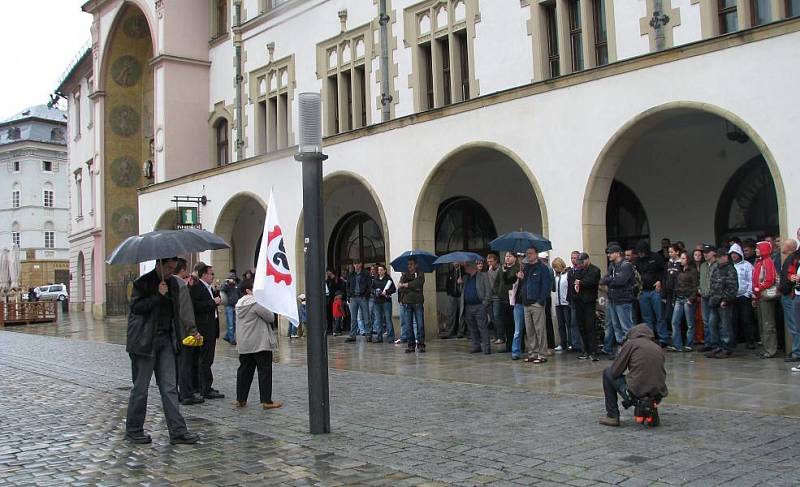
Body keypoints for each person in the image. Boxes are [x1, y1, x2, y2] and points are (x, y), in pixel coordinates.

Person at [125, 257, 199, 445]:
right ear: (159, 264)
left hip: (166, 340)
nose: (170, 272)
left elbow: (180, 310)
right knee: (141, 388)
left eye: (173, 268)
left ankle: (177, 431)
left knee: (170, 387)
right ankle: (134, 430)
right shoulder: (142, 283)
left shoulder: (174, 283)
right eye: (168, 268)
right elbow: (136, 308)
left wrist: (190, 330)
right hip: (144, 341)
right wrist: (157, 295)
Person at [599, 324, 668, 427]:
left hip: (637, 391)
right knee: (647, 380)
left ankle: (612, 416)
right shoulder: (657, 347)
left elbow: (615, 371)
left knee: (607, 372)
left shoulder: (631, 344)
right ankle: (651, 409)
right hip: (658, 393)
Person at [234, 280, 283, 410]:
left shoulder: (239, 304)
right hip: (259, 342)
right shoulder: (255, 303)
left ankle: (241, 398)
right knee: (264, 371)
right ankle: (266, 400)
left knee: (244, 371)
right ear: (248, 291)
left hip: (245, 344)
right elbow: (270, 317)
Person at [189, 262, 224, 400]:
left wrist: (216, 293)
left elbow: (214, 300)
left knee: (207, 359)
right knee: (205, 360)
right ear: (204, 274)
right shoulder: (197, 287)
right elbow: (197, 306)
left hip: (211, 327)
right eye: (211, 273)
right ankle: (205, 388)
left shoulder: (208, 287)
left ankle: (204, 385)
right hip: (204, 327)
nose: (213, 276)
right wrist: (212, 302)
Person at [515, 246, 552, 364]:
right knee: (530, 330)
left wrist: (541, 301)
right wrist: (521, 278)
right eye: (527, 254)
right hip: (526, 302)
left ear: (536, 254)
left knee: (540, 329)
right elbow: (524, 285)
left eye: (531, 253)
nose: (528, 256)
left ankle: (542, 354)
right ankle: (533, 352)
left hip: (536, 302)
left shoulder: (542, 268)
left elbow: (546, 285)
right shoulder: (526, 268)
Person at [601, 244, 636, 357]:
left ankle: (630, 350)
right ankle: (621, 349)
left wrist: (610, 280)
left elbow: (620, 281)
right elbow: (603, 280)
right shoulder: (612, 266)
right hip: (613, 299)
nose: (608, 255)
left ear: (617, 253)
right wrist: (612, 279)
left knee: (626, 326)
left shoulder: (626, 265)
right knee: (616, 327)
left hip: (623, 299)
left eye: (610, 253)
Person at [704, 248, 739, 359]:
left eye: (720, 257)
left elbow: (732, 287)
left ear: (725, 257)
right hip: (714, 301)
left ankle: (726, 348)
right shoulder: (716, 269)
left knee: (725, 326)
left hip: (724, 302)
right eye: (718, 257)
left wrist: (726, 300)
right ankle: (716, 347)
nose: (719, 259)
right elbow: (713, 285)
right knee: (712, 324)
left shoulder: (730, 269)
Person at [635, 241, 669, 346]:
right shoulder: (637, 261)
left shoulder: (656, 257)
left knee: (659, 316)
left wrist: (660, 281)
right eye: (639, 252)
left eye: (642, 252)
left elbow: (665, 271)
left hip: (655, 290)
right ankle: (650, 338)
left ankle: (663, 338)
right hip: (643, 291)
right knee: (647, 317)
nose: (640, 254)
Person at [570, 252, 601, 361]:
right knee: (581, 326)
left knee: (590, 326)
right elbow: (574, 279)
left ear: (587, 259)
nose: (581, 264)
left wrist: (580, 282)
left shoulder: (595, 270)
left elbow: (591, 281)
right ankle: (586, 350)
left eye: (582, 262)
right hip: (579, 301)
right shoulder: (580, 270)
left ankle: (593, 350)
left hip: (589, 301)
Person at [667, 251, 699, 352]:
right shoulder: (679, 270)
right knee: (675, 322)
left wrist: (692, 298)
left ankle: (689, 344)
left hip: (688, 298)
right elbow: (675, 285)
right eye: (681, 258)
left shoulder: (692, 271)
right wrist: (674, 297)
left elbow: (695, 286)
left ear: (688, 260)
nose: (681, 260)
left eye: (684, 258)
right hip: (679, 297)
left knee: (690, 323)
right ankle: (677, 345)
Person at [752, 241, 779, 359]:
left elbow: (770, 279)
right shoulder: (760, 261)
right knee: (763, 324)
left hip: (764, 296)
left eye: (758, 248)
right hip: (760, 296)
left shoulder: (767, 262)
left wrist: (758, 288)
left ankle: (770, 349)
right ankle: (766, 348)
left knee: (768, 324)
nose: (756, 250)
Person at [462, 261, 493, 354]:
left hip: (479, 305)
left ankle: (487, 347)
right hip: (468, 306)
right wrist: (459, 283)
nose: (465, 268)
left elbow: (488, 291)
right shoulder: (465, 278)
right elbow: (462, 292)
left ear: (472, 267)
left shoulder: (483, 276)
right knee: (472, 328)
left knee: (482, 327)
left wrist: (484, 304)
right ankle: (476, 345)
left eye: (466, 266)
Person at [730, 243, 756, 349]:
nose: (734, 255)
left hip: (744, 296)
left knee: (746, 319)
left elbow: (751, 280)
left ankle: (750, 341)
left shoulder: (747, 265)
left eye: (736, 253)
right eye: (732, 254)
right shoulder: (729, 266)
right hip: (732, 297)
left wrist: (747, 294)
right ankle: (735, 340)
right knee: (733, 320)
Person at [399, 258, 426, 353]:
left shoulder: (420, 274)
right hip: (407, 303)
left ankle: (421, 344)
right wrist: (412, 287)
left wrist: (407, 285)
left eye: (411, 264)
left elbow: (419, 283)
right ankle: (411, 345)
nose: (409, 266)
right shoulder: (404, 274)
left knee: (420, 324)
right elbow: (400, 287)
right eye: (408, 264)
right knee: (408, 325)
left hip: (418, 302)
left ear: (416, 265)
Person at [780, 239, 800, 363]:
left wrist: (784, 287)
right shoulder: (791, 258)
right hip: (789, 293)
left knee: (794, 325)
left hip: (790, 294)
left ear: (789, 247)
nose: (781, 245)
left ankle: (797, 352)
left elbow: (790, 276)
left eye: (784, 244)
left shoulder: (793, 258)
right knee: (794, 325)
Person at [496, 251, 519, 355]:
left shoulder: (517, 268)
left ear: (515, 258)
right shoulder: (502, 268)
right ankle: (508, 345)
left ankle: (516, 345)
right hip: (503, 299)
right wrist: (497, 292)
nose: (507, 258)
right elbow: (497, 282)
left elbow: (510, 281)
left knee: (513, 325)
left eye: (510, 256)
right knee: (506, 324)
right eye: (506, 256)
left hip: (513, 300)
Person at [345, 261, 372, 343]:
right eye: (355, 264)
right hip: (353, 298)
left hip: (362, 297)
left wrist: (366, 294)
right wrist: (349, 295)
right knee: (353, 318)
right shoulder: (351, 274)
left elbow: (369, 285)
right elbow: (348, 286)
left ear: (361, 264)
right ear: (353, 265)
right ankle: (352, 335)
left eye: (358, 264)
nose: (356, 266)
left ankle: (368, 335)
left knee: (366, 317)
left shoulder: (366, 274)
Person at [698, 245, 718, 352]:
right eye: (704, 252)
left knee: (713, 321)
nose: (705, 254)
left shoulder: (717, 265)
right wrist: (699, 288)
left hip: (713, 296)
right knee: (705, 321)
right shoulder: (703, 266)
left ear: (713, 253)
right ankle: (708, 343)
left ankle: (715, 344)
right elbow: (701, 279)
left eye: (707, 252)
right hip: (704, 296)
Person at [371, 264, 396, 343]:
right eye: (378, 270)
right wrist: (375, 292)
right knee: (378, 320)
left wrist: (386, 292)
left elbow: (394, 289)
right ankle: (379, 337)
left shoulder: (388, 279)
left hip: (386, 301)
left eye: (381, 270)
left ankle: (391, 337)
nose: (380, 271)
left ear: (385, 270)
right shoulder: (376, 279)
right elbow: (372, 288)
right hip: (377, 301)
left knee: (388, 319)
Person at [551, 257, 571, 352]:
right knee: (560, 325)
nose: (555, 269)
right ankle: (563, 343)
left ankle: (571, 342)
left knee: (569, 324)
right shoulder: (556, 277)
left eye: (556, 266)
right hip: (558, 303)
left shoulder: (567, 275)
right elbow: (554, 289)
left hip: (566, 303)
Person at [441, 262, 466, 339]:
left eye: (457, 261)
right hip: (452, 295)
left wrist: (462, 281)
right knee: (451, 313)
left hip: (461, 295)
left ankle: (461, 331)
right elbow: (447, 283)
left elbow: (466, 281)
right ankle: (449, 331)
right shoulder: (450, 272)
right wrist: (448, 292)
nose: (455, 263)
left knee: (461, 314)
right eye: (454, 262)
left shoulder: (463, 272)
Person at [485, 252, 505, 345]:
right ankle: (495, 336)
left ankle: (501, 337)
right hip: (490, 297)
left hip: (497, 297)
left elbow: (499, 282)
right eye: (488, 261)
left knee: (497, 316)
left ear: (496, 261)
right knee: (492, 318)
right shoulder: (489, 271)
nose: (489, 263)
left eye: (491, 261)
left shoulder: (500, 269)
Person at [220, 271, 241, 345]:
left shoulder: (236, 285)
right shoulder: (227, 285)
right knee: (230, 324)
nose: (232, 280)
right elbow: (221, 289)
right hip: (229, 306)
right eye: (231, 278)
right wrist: (226, 283)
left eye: (233, 278)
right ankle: (232, 339)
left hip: (235, 306)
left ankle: (227, 336)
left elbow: (239, 293)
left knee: (235, 323)